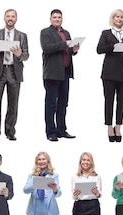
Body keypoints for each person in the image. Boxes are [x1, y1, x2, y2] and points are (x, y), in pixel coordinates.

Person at [0, 9, 29, 142]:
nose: (10, 18)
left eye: (13, 16)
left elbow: (26, 55)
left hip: (14, 72)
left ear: (16, 19)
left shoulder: (22, 36)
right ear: (4, 18)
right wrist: (0, 48)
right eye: (8, 16)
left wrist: (19, 55)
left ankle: (10, 131)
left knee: (13, 104)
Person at [96, 9, 123, 143]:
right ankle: (109, 127)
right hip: (109, 72)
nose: (120, 19)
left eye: (122, 17)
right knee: (109, 101)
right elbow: (99, 49)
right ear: (112, 19)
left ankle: (118, 126)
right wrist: (112, 46)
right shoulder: (106, 33)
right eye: (117, 17)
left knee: (122, 101)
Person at [41, 9, 79, 142]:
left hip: (66, 72)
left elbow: (68, 50)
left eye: (59, 17)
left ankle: (61, 130)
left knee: (63, 103)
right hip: (52, 73)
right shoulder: (45, 32)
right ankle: (51, 132)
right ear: (50, 19)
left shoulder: (66, 32)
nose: (57, 19)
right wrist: (65, 44)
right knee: (51, 104)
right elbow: (46, 48)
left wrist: (74, 50)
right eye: (55, 17)